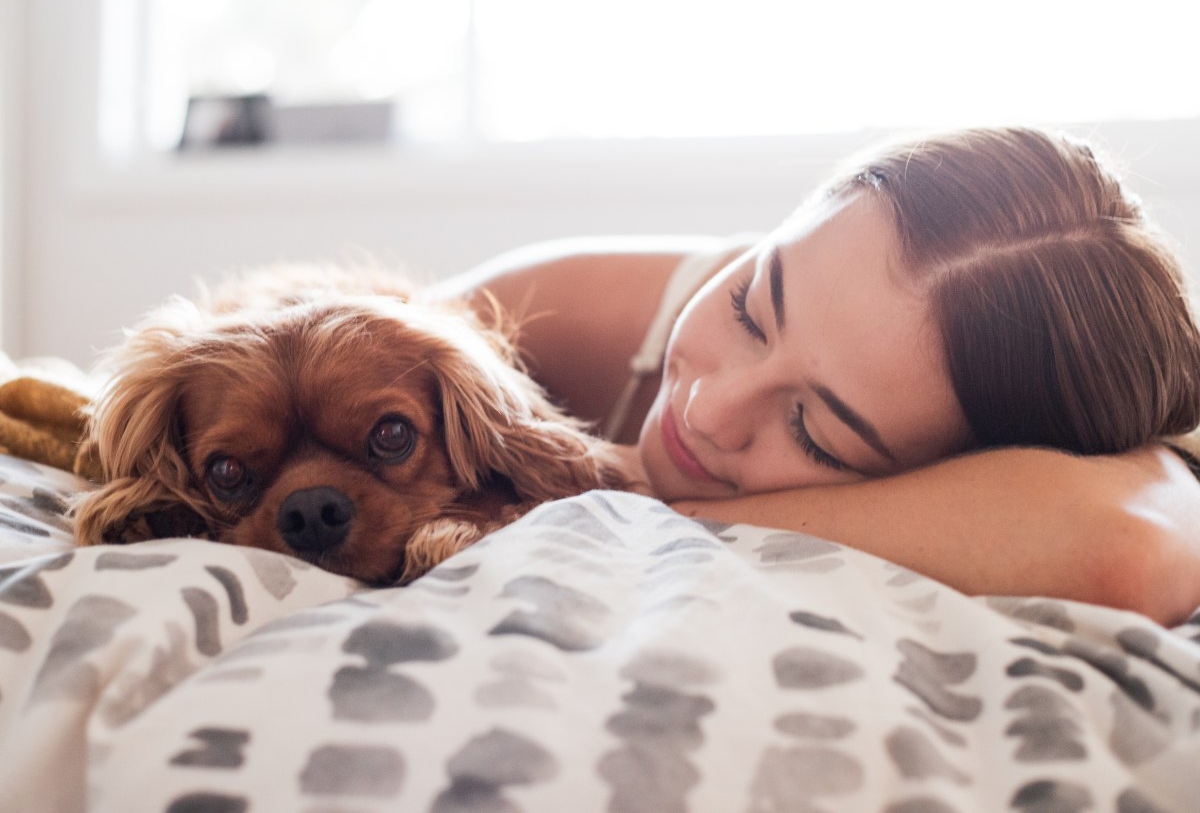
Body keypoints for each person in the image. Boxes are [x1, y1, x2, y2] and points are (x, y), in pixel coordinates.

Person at [435, 126, 1200, 626]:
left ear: (969, 477)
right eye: (748, 308)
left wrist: (637, 500)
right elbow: (326, 344)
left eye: (814, 431)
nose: (707, 409)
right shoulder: (585, 309)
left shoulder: (1091, 474)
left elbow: (1128, 553)